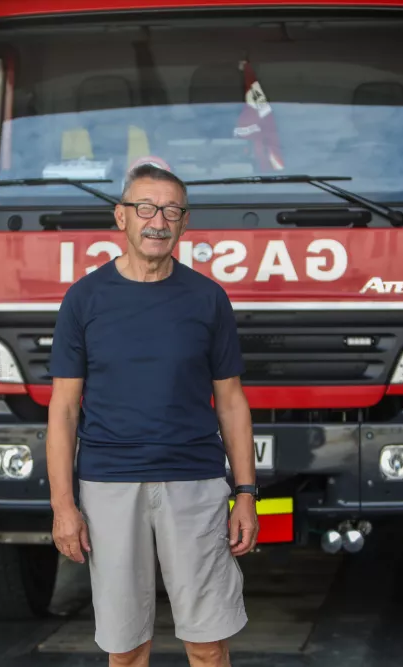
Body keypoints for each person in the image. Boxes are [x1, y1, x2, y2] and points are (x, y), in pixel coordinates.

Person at [46, 161, 260, 667]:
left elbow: (231, 402)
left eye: (170, 211)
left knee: (208, 645)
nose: (157, 221)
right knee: (125, 649)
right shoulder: (84, 300)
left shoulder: (208, 299)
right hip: (109, 487)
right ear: (121, 217)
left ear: (184, 223)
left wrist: (246, 494)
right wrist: (63, 507)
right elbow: (64, 410)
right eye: (145, 208)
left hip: (195, 485)